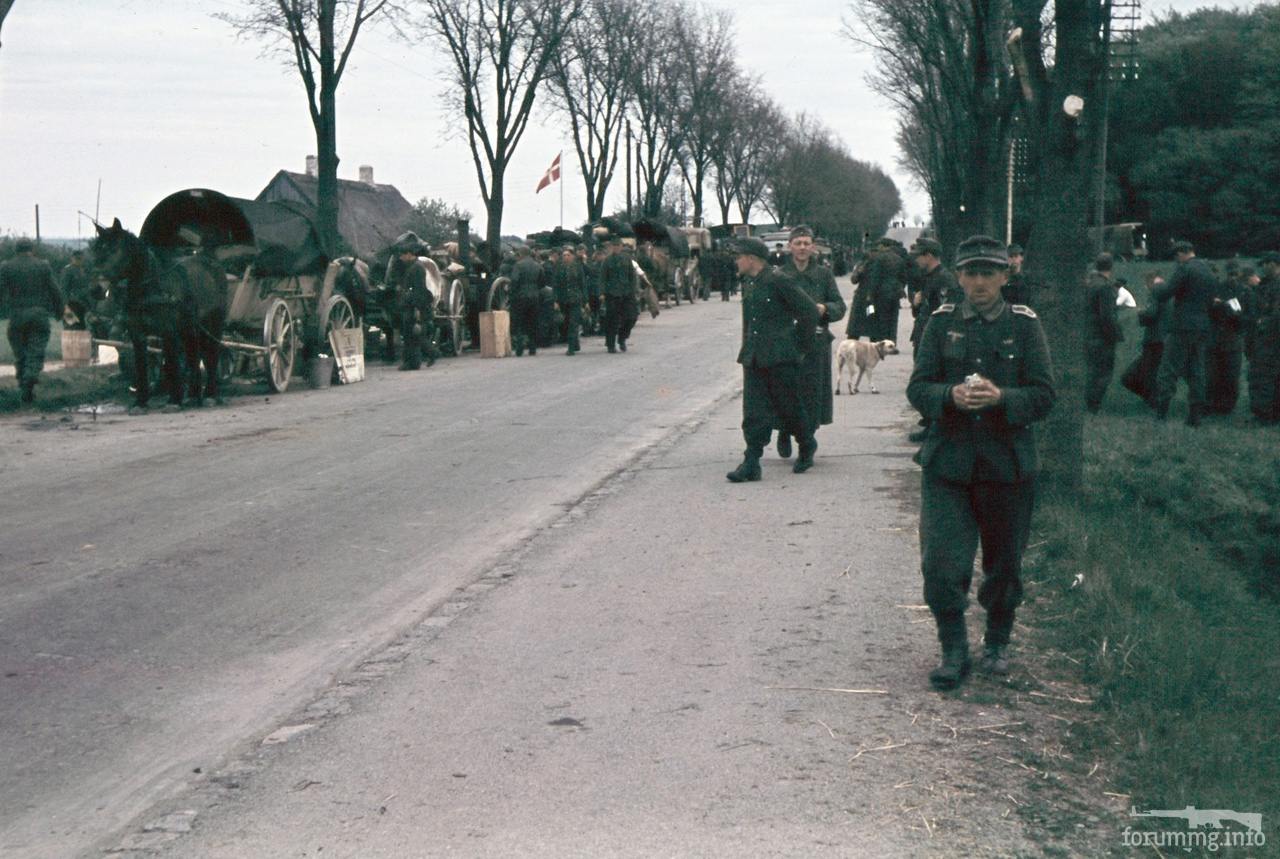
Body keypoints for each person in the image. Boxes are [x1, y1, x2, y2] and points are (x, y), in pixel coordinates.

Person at [906, 235, 1056, 690]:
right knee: (942, 563)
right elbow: (918, 387)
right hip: (949, 463)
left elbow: (1045, 394)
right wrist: (949, 396)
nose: (978, 283)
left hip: (1006, 465)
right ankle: (954, 649)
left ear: (1006, 276)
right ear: (958, 276)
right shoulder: (940, 323)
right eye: (970, 273)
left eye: (988, 273)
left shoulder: (1025, 326)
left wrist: (1002, 398)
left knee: (1004, 562)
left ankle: (997, 641)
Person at [726, 237, 820, 482]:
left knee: (789, 407)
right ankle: (751, 462)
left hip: (780, 357)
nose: (736, 261)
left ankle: (807, 444)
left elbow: (809, 311)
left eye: (739, 256)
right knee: (753, 411)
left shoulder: (779, 280)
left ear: (752, 259)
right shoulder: (750, 283)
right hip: (755, 356)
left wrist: (799, 346)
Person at [775, 225, 847, 459]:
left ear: (813, 247)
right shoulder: (779, 275)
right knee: (786, 389)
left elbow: (839, 306)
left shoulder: (824, 275)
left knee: (812, 393)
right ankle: (784, 431)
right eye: (798, 243)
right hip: (788, 342)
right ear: (790, 246)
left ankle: (808, 438)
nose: (803, 247)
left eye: (806, 243)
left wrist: (825, 308)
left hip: (816, 342)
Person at [1152, 240, 1218, 426]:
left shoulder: (1185, 269)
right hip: (1202, 326)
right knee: (1197, 370)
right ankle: (1195, 417)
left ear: (1182, 253)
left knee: (1169, 369)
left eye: (1176, 255)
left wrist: (1157, 284)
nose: (1175, 260)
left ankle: (1161, 415)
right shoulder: (1208, 271)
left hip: (1182, 326)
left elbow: (1166, 293)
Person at [2, 238, 64, 403]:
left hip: (16, 315)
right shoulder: (43, 265)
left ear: (16, 250)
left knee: (20, 352)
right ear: (32, 250)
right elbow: (55, 290)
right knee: (35, 350)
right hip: (39, 315)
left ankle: (23, 383)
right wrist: (60, 311)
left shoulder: (6, 267)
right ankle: (29, 378)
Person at [1121, 271, 1170, 410]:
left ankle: (1153, 402)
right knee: (1155, 373)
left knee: (1143, 374)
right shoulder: (1169, 290)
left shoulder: (1155, 290)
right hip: (1166, 338)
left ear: (1150, 281)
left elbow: (1151, 313)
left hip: (1154, 340)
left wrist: (1140, 312)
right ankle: (1154, 401)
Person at [1084, 253, 1124, 413]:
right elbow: (1107, 316)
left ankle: (1088, 403)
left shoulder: (1090, 283)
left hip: (1089, 332)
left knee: (1092, 370)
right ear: (1111, 266)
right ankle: (1093, 405)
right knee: (1103, 372)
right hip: (1102, 336)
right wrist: (1115, 334)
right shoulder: (1106, 287)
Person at [1205, 264, 1244, 415]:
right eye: (1230, 274)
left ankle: (1227, 407)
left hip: (1232, 338)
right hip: (1215, 338)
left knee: (1231, 376)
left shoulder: (1244, 291)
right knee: (1213, 375)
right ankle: (1211, 404)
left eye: (1235, 274)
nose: (1233, 277)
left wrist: (1225, 308)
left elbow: (1242, 316)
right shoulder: (1217, 289)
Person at [393, 239, 437, 371]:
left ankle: (420, 358)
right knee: (413, 336)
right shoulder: (414, 267)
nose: (401, 258)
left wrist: (417, 310)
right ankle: (417, 360)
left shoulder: (416, 268)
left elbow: (419, 291)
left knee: (411, 335)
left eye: (402, 255)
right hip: (411, 304)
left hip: (414, 306)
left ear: (409, 254)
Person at [1247, 251, 1280, 424]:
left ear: (1273, 264)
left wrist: (1261, 324)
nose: (1263, 268)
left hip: (1269, 338)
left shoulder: (1276, 284)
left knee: (1262, 375)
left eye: (1265, 264)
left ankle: (1263, 414)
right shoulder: (1268, 284)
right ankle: (1272, 413)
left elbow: (1274, 313)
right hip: (1272, 337)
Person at [599, 237, 638, 354]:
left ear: (621, 247)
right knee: (612, 321)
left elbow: (632, 276)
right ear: (611, 247)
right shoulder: (607, 261)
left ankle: (622, 338)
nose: (616, 248)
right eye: (614, 246)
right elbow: (602, 278)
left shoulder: (627, 259)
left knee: (631, 318)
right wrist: (602, 293)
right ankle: (610, 345)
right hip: (612, 294)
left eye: (618, 246)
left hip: (626, 293)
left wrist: (633, 291)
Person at [509, 245, 542, 356]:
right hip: (535, 296)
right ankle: (532, 348)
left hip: (521, 297)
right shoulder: (538, 265)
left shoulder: (518, 265)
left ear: (521, 254)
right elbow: (542, 281)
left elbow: (514, 281)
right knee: (532, 322)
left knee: (520, 323)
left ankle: (520, 348)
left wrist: (512, 293)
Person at [553, 246, 585, 355]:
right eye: (564, 255)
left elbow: (582, 284)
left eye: (568, 255)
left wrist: (585, 301)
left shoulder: (578, 267)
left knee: (573, 323)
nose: (566, 257)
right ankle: (575, 343)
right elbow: (555, 285)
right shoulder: (559, 268)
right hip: (563, 299)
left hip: (575, 298)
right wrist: (556, 300)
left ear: (572, 256)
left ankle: (571, 348)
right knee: (566, 322)